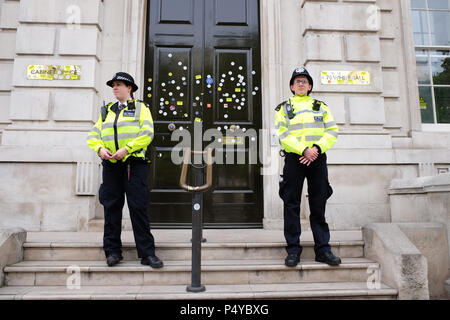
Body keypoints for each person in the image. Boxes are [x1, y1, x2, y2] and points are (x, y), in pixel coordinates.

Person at [87, 72, 163, 268]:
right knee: (111, 208)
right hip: (111, 166)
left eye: (119, 84)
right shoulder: (107, 110)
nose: (115, 88)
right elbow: (93, 135)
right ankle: (112, 252)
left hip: (134, 165)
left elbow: (147, 133)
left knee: (138, 208)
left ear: (129, 88)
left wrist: (127, 149)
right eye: (113, 85)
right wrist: (100, 149)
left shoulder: (141, 108)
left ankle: (147, 254)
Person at [275, 67, 341, 267]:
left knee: (318, 204)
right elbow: (283, 135)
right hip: (295, 160)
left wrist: (316, 149)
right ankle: (293, 251)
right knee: (291, 205)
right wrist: (304, 150)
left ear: (310, 86)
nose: (301, 84)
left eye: (304, 81)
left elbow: (332, 131)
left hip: (317, 159)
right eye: (297, 81)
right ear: (291, 87)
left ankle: (323, 250)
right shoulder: (283, 108)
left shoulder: (321, 106)